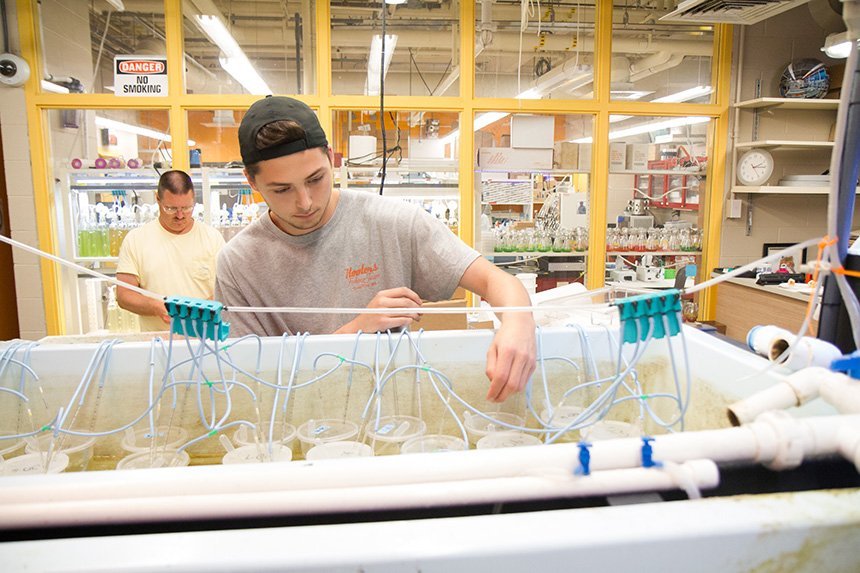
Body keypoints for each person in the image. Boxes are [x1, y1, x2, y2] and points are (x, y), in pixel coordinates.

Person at [215, 96, 536, 403]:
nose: (305, 202)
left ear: (330, 157)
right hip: (297, 430)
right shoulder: (238, 263)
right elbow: (250, 381)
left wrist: (519, 324)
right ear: (252, 181)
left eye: (315, 179)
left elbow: (496, 281)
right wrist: (355, 330)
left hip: (393, 421)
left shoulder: (393, 221)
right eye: (282, 189)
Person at [117, 170, 226, 332]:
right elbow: (124, 295)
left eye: (187, 208)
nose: (180, 215)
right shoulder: (136, 239)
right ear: (158, 199)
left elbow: (227, 289)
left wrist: (199, 311)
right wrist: (156, 307)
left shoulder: (213, 238)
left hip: (205, 340)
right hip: (157, 344)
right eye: (171, 208)